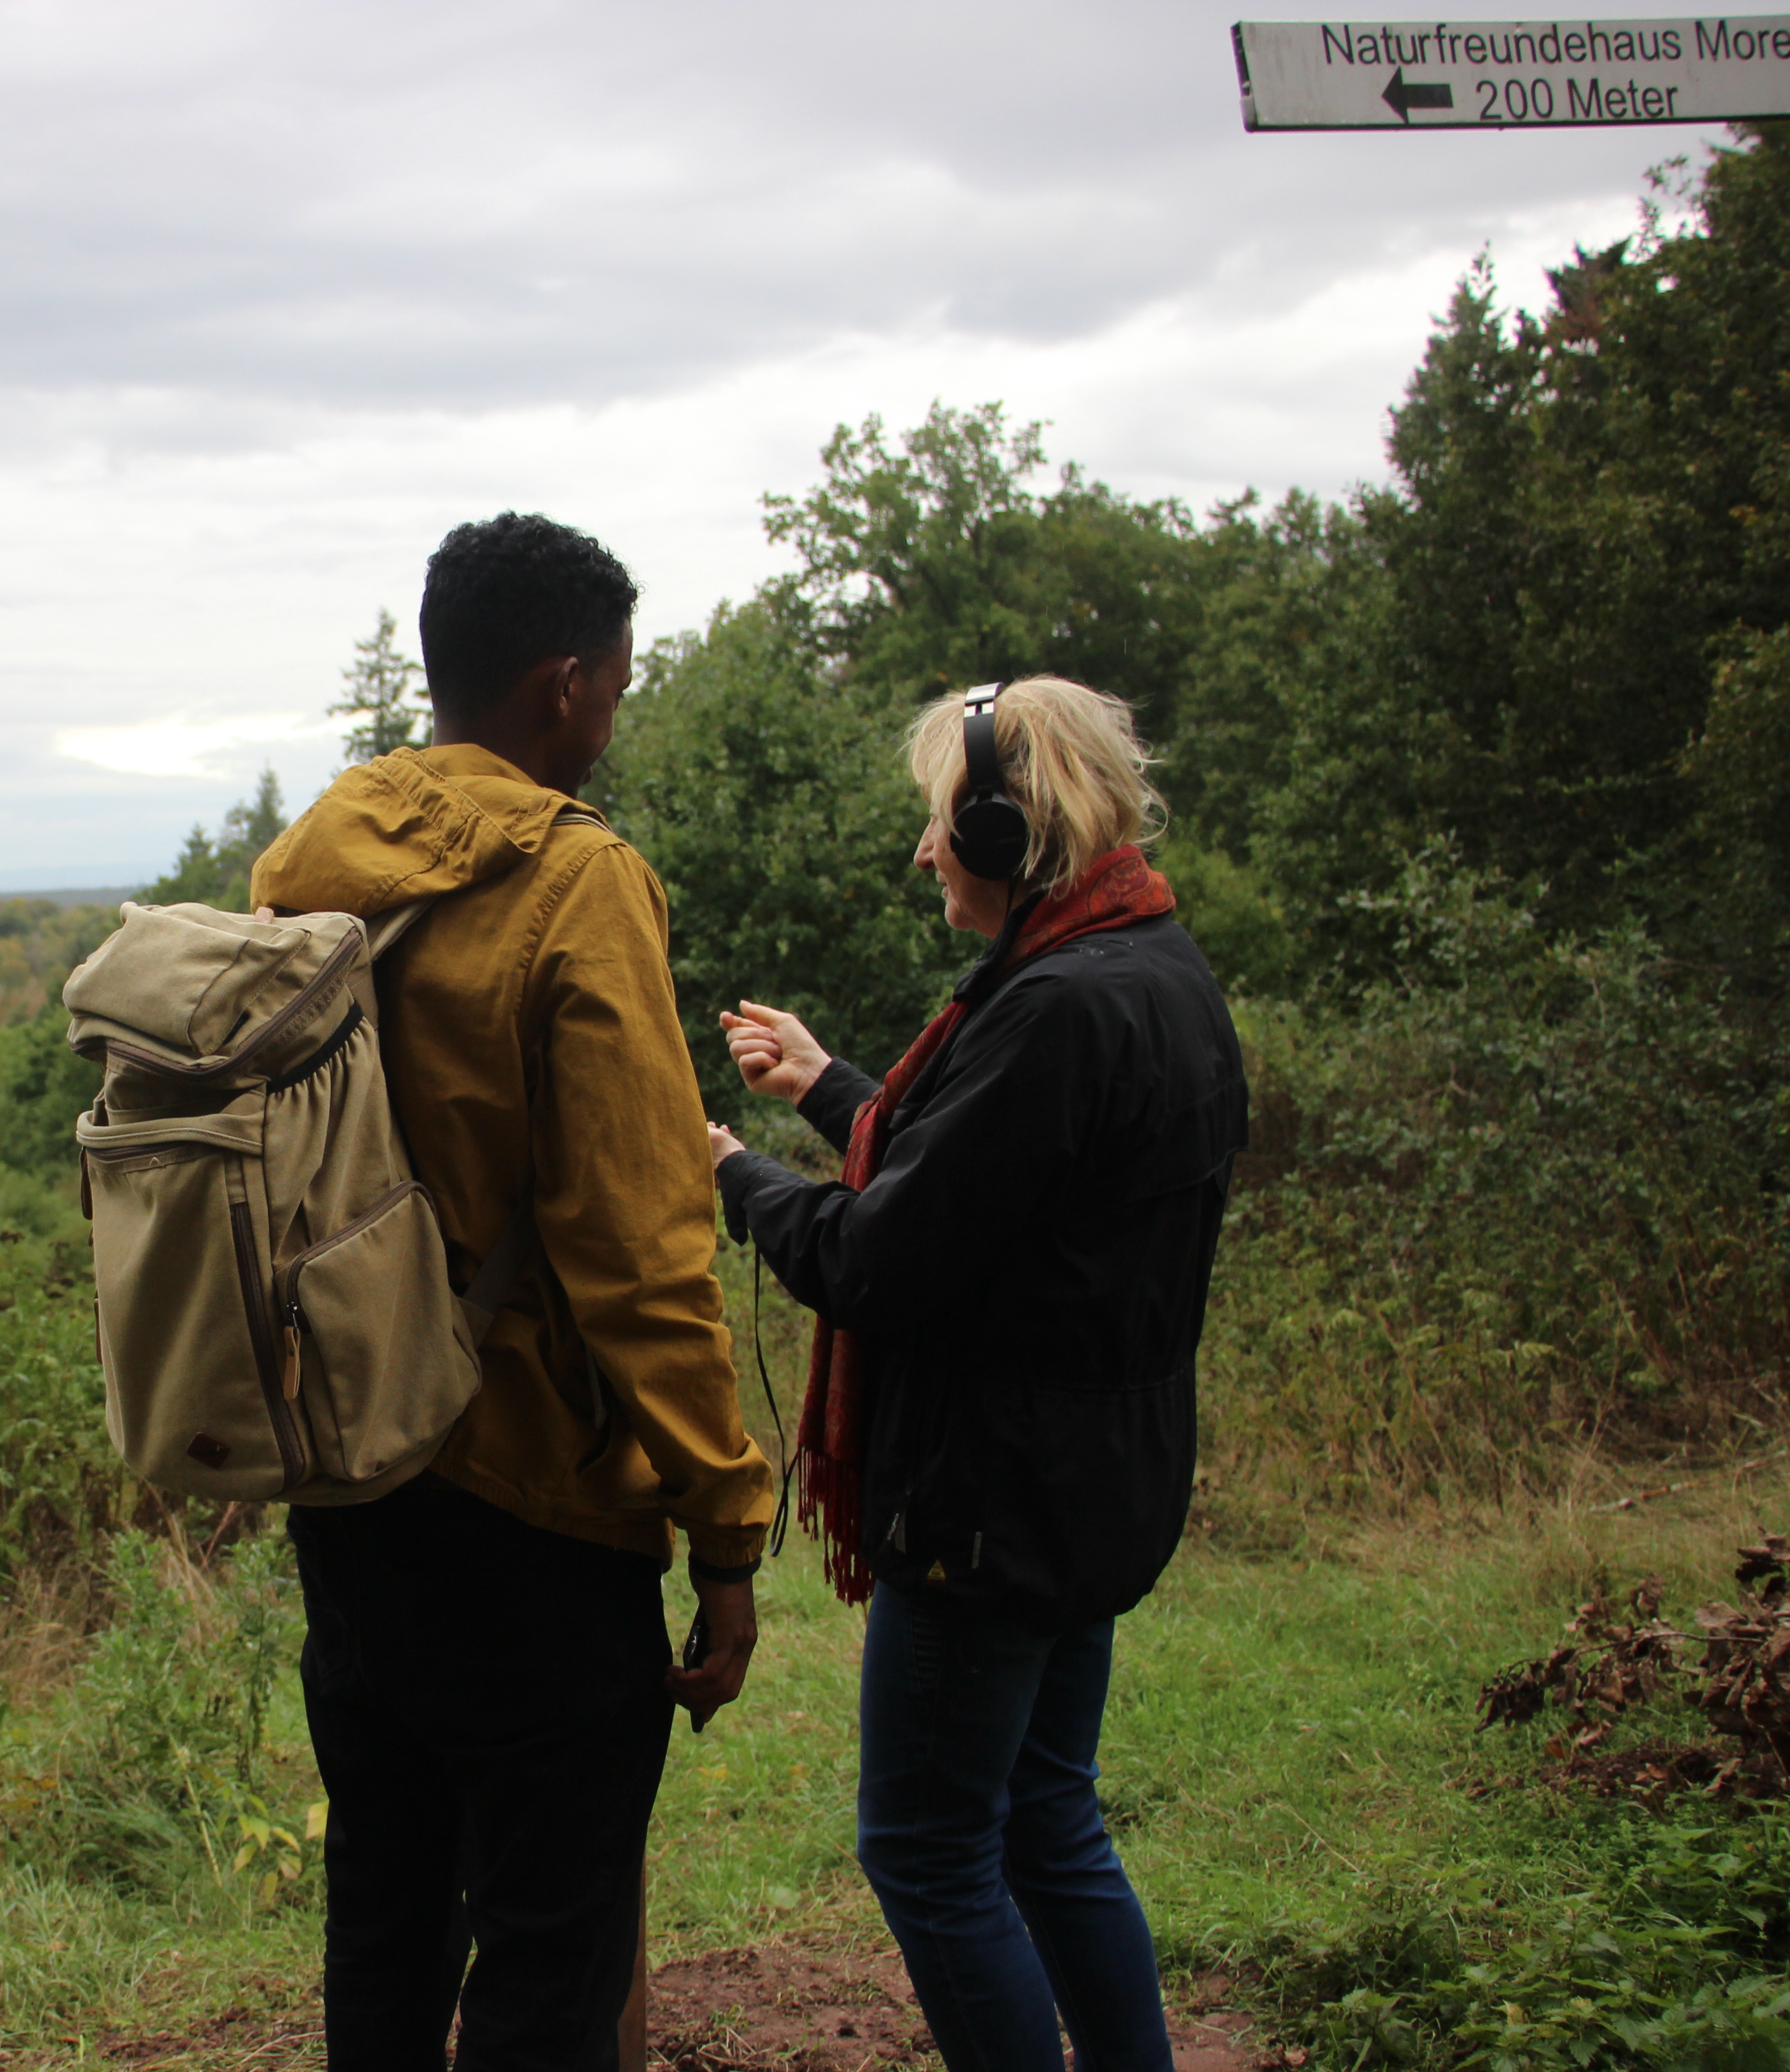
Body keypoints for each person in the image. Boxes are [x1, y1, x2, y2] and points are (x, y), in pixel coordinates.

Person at [249, 512, 776, 2072]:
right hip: (532, 1505)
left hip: (347, 1471)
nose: (614, 711)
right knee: (552, 1959)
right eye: (615, 680)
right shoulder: (577, 883)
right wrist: (726, 1530)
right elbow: (642, 1249)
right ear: (562, 685)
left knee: (389, 1918)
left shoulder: (310, 863)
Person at [709, 676, 1244, 2072]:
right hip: (1094, 1483)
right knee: (1047, 1815)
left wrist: (731, 1176)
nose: (928, 853)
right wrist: (833, 1089)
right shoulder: (1151, 968)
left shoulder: (1054, 1009)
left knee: (931, 1855)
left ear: (1009, 830)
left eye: (945, 826)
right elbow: (994, 1183)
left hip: (991, 1508)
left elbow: (882, 1260)